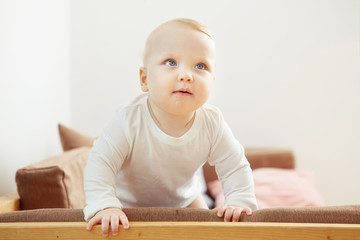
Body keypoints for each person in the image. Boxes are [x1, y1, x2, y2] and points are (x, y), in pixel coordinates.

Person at [84, 18, 258, 236]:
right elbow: (101, 162)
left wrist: (239, 200)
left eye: (200, 66)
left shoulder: (212, 122)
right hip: (127, 205)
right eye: (171, 62)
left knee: (212, 234)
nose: (186, 75)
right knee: (112, 229)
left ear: (212, 81)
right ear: (145, 79)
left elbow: (234, 166)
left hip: (186, 200)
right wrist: (104, 204)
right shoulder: (128, 120)